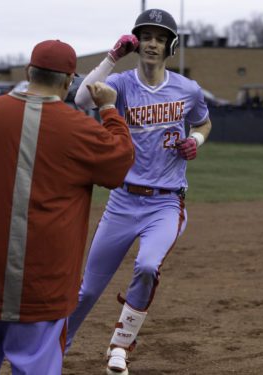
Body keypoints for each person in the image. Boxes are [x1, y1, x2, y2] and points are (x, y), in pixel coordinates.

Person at [0, 39, 134, 375]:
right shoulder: (78, 128)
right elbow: (120, 163)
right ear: (68, 82)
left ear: (27, 72)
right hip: (43, 286)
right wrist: (109, 110)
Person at [69, 8, 212, 374]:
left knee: (147, 265)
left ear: (170, 47)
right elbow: (82, 101)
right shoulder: (122, 84)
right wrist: (111, 57)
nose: (152, 43)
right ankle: (53, 346)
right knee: (86, 289)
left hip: (165, 202)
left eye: (160, 38)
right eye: (146, 37)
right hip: (122, 200)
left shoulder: (187, 89)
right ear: (138, 43)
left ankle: (120, 345)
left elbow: (204, 121)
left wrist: (196, 139)